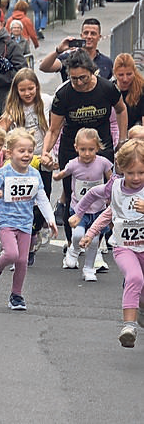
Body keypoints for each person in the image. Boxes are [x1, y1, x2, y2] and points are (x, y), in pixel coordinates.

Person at [41, 49, 127, 247]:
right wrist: (46, 151)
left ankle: (99, 238)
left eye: (83, 78)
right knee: (72, 193)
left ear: (92, 72)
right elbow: (53, 130)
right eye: (74, 79)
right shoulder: (63, 94)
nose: (79, 83)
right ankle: (73, 241)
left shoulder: (107, 88)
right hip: (72, 148)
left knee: (106, 192)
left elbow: (121, 110)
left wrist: (122, 139)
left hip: (101, 146)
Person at [0, 128, 57, 310]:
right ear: (10, 153)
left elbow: (41, 197)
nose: (26, 155)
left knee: (22, 260)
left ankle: (16, 295)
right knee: (12, 254)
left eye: (30, 151)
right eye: (22, 151)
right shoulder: (3, 173)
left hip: (25, 222)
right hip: (5, 220)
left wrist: (50, 219)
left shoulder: (34, 175)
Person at [79, 140, 144, 347]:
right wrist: (91, 233)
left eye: (141, 173)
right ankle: (129, 326)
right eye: (131, 172)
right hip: (124, 247)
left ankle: (139, 308)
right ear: (121, 168)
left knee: (141, 288)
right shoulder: (115, 187)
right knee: (134, 277)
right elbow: (109, 213)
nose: (136, 178)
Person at [0, 68, 53, 265]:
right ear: (16, 91)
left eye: (31, 89)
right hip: (21, 162)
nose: (28, 93)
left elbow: (54, 127)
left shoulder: (46, 101)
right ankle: (24, 246)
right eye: (23, 90)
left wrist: (50, 152)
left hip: (41, 157)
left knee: (41, 198)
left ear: (37, 87)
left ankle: (37, 228)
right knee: (22, 202)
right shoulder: (13, 108)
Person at [54, 128, 112, 279]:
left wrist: (112, 195)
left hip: (98, 209)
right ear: (76, 148)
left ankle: (89, 268)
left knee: (93, 242)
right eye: (83, 149)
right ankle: (73, 249)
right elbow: (63, 173)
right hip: (79, 209)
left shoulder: (103, 163)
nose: (87, 153)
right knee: (79, 235)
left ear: (98, 148)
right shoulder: (73, 164)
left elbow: (111, 180)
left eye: (91, 149)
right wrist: (57, 175)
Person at [39, 18, 113, 81]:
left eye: (93, 33)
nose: (89, 36)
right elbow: (44, 67)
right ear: (81, 35)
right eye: (86, 33)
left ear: (99, 37)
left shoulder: (107, 62)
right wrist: (58, 51)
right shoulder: (68, 57)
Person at [113, 53, 144, 128]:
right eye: (121, 75)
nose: (125, 79)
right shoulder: (110, 89)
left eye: (129, 74)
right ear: (114, 74)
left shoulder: (142, 89)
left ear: (134, 72)